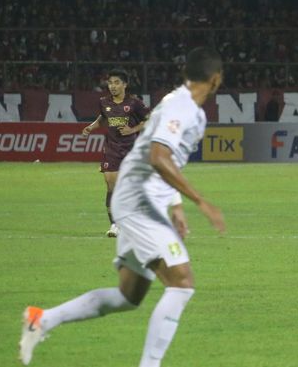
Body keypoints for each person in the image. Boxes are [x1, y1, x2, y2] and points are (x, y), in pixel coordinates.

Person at [20, 47, 227, 367]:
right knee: (182, 284)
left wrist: (176, 205)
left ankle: (42, 319)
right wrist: (199, 201)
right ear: (216, 79)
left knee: (128, 296)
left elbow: (165, 156)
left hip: (143, 199)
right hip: (138, 199)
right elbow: (158, 157)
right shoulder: (182, 107)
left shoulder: (186, 108)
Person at [82, 69, 150, 238]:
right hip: (111, 148)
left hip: (131, 150)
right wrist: (92, 126)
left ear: (125, 84)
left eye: (116, 82)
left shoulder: (135, 103)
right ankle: (115, 224)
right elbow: (103, 118)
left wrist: (132, 129)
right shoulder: (104, 101)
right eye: (110, 83)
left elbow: (150, 119)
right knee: (111, 185)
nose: (112, 86)